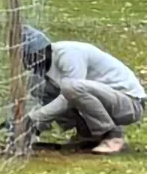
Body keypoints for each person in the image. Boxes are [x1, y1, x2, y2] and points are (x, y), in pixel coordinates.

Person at [20, 25, 143, 154]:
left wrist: (32, 118)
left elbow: (69, 96)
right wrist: (34, 126)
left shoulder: (68, 54)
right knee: (40, 87)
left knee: (72, 88)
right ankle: (88, 135)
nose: (26, 65)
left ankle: (113, 136)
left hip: (129, 104)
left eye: (26, 58)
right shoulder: (47, 66)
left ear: (38, 53)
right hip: (105, 99)